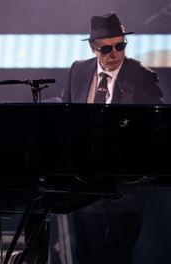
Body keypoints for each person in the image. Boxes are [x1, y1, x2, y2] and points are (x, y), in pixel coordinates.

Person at [61, 12, 162, 264]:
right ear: (93, 48)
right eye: (107, 48)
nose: (115, 53)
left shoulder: (143, 77)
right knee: (85, 255)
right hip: (85, 184)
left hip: (126, 186)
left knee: (117, 255)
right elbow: (65, 117)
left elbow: (157, 129)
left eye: (120, 46)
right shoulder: (78, 71)